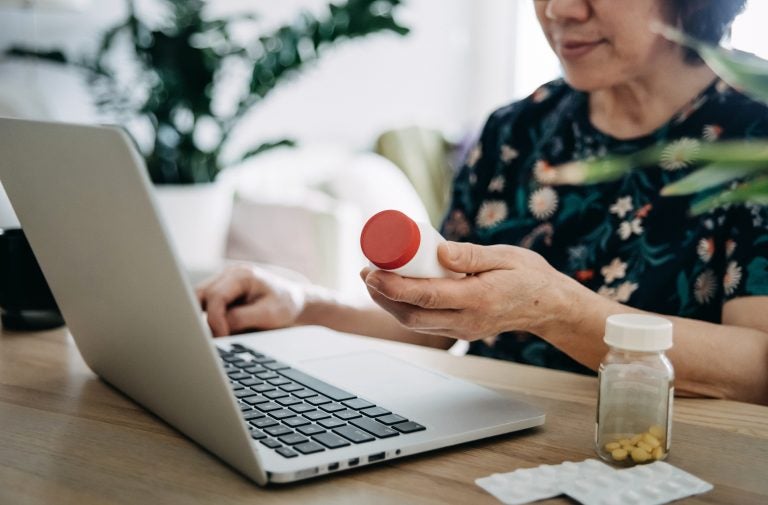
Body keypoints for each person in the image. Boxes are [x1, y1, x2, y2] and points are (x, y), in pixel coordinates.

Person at [197, 0, 768, 405]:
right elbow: (439, 324)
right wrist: (301, 306)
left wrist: (559, 310)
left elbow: (757, 369)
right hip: (494, 439)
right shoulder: (517, 129)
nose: (560, 9)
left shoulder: (755, 134)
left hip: (657, 459)